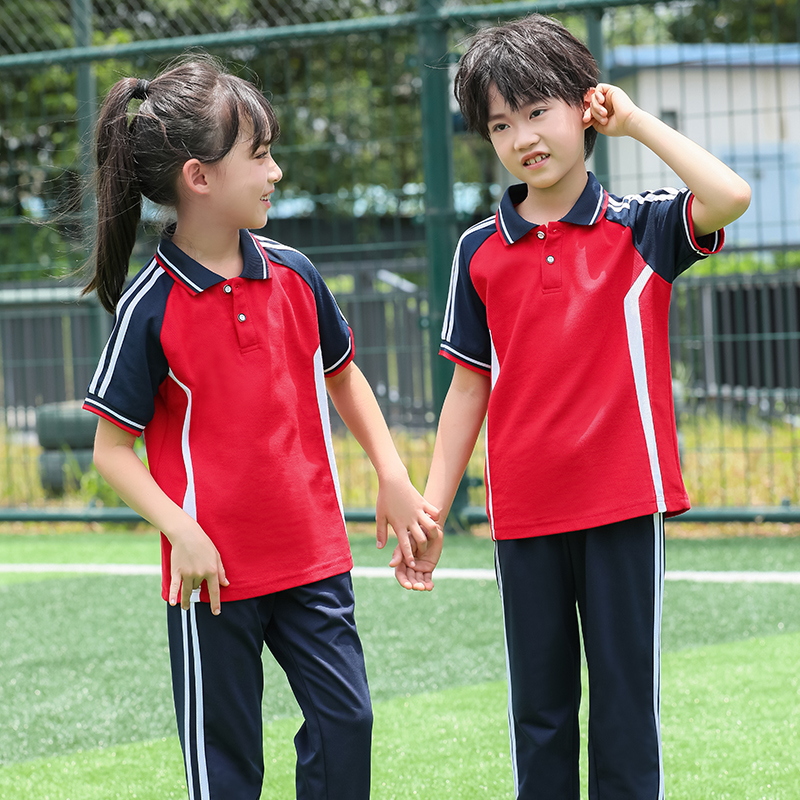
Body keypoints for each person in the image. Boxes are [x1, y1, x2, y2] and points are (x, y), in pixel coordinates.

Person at [392, 14, 751, 800]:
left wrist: (635, 121)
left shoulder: (644, 227)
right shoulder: (475, 252)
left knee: (626, 712)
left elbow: (729, 195)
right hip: (523, 516)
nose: (523, 135)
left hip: (626, 505)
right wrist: (431, 510)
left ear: (584, 110)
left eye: (538, 111)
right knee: (541, 717)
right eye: (500, 122)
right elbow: (468, 387)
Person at [81, 56, 438, 800]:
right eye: (262, 153)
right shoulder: (149, 305)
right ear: (199, 177)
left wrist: (394, 475)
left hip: (314, 557)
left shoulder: (297, 273)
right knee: (226, 766)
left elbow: (343, 376)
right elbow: (112, 451)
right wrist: (182, 530)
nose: (276, 171)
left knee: (348, 726)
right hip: (209, 578)